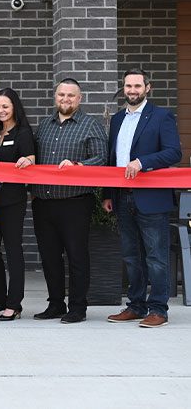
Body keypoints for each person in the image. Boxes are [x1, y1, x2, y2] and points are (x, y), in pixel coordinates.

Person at [104, 69, 182, 328]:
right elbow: (111, 159)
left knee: (156, 257)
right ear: (123, 89)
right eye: (128, 86)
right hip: (123, 198)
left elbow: (173, 153)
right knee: (130, 256)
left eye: (138, 85)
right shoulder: (116, 119)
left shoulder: (161, 116)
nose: (132, 90)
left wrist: (143, 162)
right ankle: (136, 306)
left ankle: (158, 309)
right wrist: (107, 194)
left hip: (152, 198)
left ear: (148, 87)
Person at [30, 78, 108, 324]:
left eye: (70, 96)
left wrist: (78, 166)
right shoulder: (45, 125)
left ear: (79, 98)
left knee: (76, 256)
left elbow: (102, 159)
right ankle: (55, 304)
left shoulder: (90, 125)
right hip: (43, 202)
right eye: (61, 95)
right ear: (56, 97)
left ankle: (77, 307)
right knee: (49, 257)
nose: (65, 99)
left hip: (75, 203)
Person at [0, 88, 35, 321]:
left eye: (5, 106)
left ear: (14, 108)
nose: (1, 110)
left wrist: (28, 160)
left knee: (12, 250)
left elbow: (32, 158)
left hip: (12, 200)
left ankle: (14, 304)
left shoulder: (23, 133)